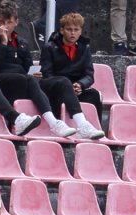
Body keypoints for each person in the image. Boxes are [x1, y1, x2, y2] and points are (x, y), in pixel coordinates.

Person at [0, 3, 59, 137]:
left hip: (19, 81)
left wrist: (35, 73)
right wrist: (3, 43)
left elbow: (28, 67)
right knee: (26, 79)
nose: (5, 26)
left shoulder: (22, 43)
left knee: (54, 82)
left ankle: (54, 122)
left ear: (16, 22)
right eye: (2, 22)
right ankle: (46, 122)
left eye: (9, 22)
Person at [37, 10, 106, 139]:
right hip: (56, 86)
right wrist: (68, 87)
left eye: (76, 30)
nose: (73, 33)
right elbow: (46, 73)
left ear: (80, 31)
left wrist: (80, 85)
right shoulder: (49, 47)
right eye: (69, 29)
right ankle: (82, 126)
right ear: (62, 30)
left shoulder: (85, 48)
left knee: (95, 95)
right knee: (64, 83)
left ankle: (95, 128)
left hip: (75, 87)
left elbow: (89, 74)